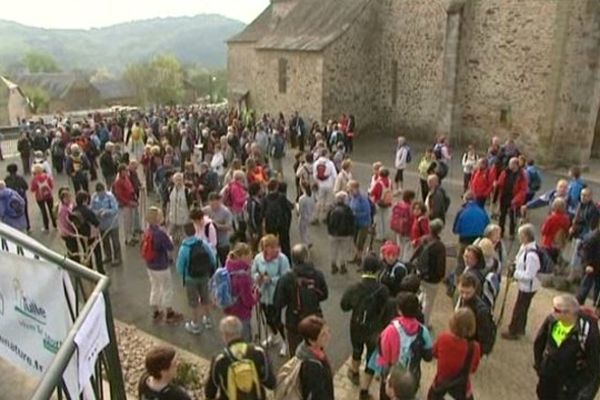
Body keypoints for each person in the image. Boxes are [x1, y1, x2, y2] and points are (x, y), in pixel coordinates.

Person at [341, 254, 390, 399]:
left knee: (356, 349)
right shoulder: (383, 290)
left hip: (356, 324)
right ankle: (364, 391)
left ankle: (354, 372)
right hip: (375, 327)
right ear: (377, 271)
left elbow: (344, 306)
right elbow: (386, 309)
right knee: (371, 356)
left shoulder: (355, 287)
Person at [534, 294, 600, 400]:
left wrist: (580, 390)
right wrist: (539, 366)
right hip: (549, 374)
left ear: (569, 313)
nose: (552, 311)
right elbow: (539, 342)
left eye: (557, 309)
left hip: (570, 382)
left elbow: (594, 366)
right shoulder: (552, 320)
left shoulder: (588, 332)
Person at [375, 292, 433, 400]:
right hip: (411, 378)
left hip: (392, 378)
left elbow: (382, 355)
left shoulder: (390, 330)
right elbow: (429, 356)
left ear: (399, 310)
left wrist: (379, 371)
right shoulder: (423, 331)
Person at [274, 244, 328, 356]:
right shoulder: (317, 275)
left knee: (295, 352)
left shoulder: (286, 278)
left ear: (293, 259)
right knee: (317, 349)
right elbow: (324, 295)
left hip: (294, 320)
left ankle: (299, 370)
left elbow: (278, 302)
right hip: (314, 318)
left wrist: (278, 321)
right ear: (307, 257)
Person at [205, 316, 276, 400]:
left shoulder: (219, 360)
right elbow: (271, 383)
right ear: (240, 332)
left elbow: (209, 393)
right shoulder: (258, 352)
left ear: (225, 335)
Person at [428, 308, 481, 400]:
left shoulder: (443, 338)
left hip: (440, 385)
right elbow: (473, 369)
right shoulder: (474, 347)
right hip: (461, 389)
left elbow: (434, 353)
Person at [142, 207, 183, 324]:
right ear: (157, 219)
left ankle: (156, 312)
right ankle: (169, 313)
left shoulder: (147, 231)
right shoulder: (160, 233)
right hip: (161, 265)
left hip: (150, 265)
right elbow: (170, 247)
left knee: (154, 287)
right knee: (167, 288)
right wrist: (169, 238)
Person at [176, 222, 218, 335]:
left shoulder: (184, 248)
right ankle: (208, 319)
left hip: (191, 278)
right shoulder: (203, 244)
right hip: (204, 276)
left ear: (184, 233)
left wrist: (183, 273)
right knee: (205, 298)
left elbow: (180, 267)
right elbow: (212, 258)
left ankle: (195, 324)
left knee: (193, 302)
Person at [251, 234, 291, 354]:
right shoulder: (258, 258)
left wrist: (271, 280)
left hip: (276, 294)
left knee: (276, 320)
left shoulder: (282, 259)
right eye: (269, 247)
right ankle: (272, 337)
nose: (273, 250)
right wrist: (258, 277)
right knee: (267, 318)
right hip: (263, 294)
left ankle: (285, 342)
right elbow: (254, 271)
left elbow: (286, 277)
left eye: (275, 247)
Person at [502, 223, 540, 340]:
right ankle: (520, 329)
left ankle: (513, 330)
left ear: (525, 236)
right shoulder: (525, 248)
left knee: (519, 308)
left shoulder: (531, 255)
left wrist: (515, 274)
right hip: (525, 285)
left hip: (528, 287)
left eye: (521, 235)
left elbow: (529, 275)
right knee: (522, 307)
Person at [412, 219, 446, 327]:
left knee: (421, 294)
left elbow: (416, 253)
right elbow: (441, 265)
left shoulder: (424, 239)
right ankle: (424, 323)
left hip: (421, 274)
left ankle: (414, 315)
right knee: (428, 302)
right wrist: (440, 276)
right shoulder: (440, 246)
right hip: (432, 279)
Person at [223, 242, 257, 342]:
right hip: (241, 313)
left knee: (233, 338)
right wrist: (256, 295)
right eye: (249, 257)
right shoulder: (243, 277)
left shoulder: (228, 266)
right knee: (245, 340)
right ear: (242, 256)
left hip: (229, 309)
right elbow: (248, 301)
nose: (251, 260)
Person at [455, 273, 496, 356]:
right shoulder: (458, 297)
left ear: (474, 289)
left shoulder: (481, 311)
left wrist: (477, 354)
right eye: (462, 292)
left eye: (468, 293)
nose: (464, 296)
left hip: (471, 347)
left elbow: (484, 337)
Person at [295, 315, 335, 400]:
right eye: (323, 335)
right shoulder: (312, 367)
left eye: (328, 331)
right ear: (311, 341)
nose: (328, 336)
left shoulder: (315, 350)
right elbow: (318, 395)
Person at [452, 191, 490, 276]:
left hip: (464, 241)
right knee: (476, 262)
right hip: (478, 241)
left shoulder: (462, 211)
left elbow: (455, 230)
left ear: (465, 199)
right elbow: (488, 226)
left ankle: (458, 282)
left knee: (461, 263)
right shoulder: (482, 211)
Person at [70, 191, 103, 273]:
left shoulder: (74, 210)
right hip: (92, 235)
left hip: (82, 236)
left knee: (87, 253)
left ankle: (90, 271)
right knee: (97, 253)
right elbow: (96, 222)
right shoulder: (87, 211)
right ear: (84, 200)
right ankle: (100, 270)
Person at [570, 188, 600, 279]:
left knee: (579, 258)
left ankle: (576, 276)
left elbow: (591, 226)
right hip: (577, 234)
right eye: (582, 195)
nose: (583, 197)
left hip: (584, 237)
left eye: (585, 195)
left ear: (590, 197)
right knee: (574, 257)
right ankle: (573, 274)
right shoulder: (580, 205)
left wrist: (586, 238)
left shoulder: (592, 209)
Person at [494, 157, 527, 238]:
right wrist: (497, 185)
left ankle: (511, 233)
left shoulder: (521, 175)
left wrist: (516, 199)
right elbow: (500, 182)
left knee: (512, 217)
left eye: (511, 164)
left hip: (513, 198)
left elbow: (523, 190)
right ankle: (501, 232)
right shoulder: (505, 172)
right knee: (502, 215)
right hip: (504, 196)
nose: (509, 165)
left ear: (516, 165)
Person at [90, 182, 122, 266]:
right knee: (105, 242)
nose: (101, 194)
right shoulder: (94, 197)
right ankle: (108, 256)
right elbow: (91, 209)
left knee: (115, 242)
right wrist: (97, 212)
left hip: (112, 224)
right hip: (102, 225)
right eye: (99, 193)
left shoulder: (110, 197)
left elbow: (115, 209)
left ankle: (118, 258)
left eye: (102, 192)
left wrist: (106, 211)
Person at [326, 191, 355, 274]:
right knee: (344, 251)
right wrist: (351, 233)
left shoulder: (332, 209)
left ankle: (333, 265)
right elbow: (351, 222)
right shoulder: (348, 210)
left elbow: (328, 221)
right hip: (345, 234)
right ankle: (342, 266)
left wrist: (329, 230)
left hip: (333, 234)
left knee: (333, 250)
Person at [203, 192, 234, 265]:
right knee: (212, 264)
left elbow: (229, 226)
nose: (213, 206)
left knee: (225, 263)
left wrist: (216, 225)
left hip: (222, 242)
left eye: (215, 204)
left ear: (219, 201)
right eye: (211, 204)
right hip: (210, 242)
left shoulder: (226, 212)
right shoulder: (206, 210)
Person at [113, 164, 139, 246]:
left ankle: (131, 236)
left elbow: (130, 188)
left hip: (131, 201)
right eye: (124, 171)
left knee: (131, 220)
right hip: (125, 204)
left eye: (126, 171)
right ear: (120, 172)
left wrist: (134, 196)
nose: (125, 172)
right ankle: (127, 238)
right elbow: (119, 195)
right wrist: (128, 202)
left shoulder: (126, 178)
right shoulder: (118, 182)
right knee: (127, 222)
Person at [348, 180, 373, 265]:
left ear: (356, 188)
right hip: (355, 223)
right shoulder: (352, 197)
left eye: (351, 189)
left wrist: (356, 214)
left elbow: (367, 211)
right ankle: (357, 257)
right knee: (355, 240)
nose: (350, 191)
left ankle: (360, 259)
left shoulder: (363, 198)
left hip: (364, 223)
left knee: (360, 242)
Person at [576, 222, 600, 307]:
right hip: (590, 265)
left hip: (597, 265)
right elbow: (584, 252)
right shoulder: (592, 237)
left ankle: (596, 304)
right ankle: (578, 304)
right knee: (585, 286)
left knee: (597, 287)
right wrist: (587, 265)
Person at [540, 198, 570, 264]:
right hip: (558, 243)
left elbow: (543, 231)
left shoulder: (551, 218)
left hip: (548, 243)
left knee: (546, 261)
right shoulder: (566, 219)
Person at [30, 163, 56, 232]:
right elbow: (51, 186)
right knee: (51, 210)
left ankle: (46, 227)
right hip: (49, 195)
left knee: (43, 212)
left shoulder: (34, 179)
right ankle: (55, 224)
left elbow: (32, 189)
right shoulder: (47, 176)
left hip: (40, 197)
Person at [168, 172, 192, 247]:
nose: (178, 182)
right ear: (173, 181)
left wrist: (190, 216)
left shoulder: (187, 191)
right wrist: (166, 215)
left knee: (184, 236)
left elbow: (191, 205)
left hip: (183, 217)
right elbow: (168, 202)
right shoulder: (170, 189)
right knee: (170, 234)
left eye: (180, 180)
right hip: (172, 216)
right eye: (176, 180)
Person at [391, 190, 415, 262]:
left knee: (399, 245)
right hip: (406, 230)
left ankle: (398, 259)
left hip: (397, 228)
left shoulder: (398, 204)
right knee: (407, 247)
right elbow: (411, 220)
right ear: (410, 198)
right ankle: (405, 261)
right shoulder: (409, 208)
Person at [5, 163, 30, 232]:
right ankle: (27, 226)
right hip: (21, 198)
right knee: (25, 212)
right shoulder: (20, 178)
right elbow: (26, 186)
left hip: (11, 200)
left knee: (13, 213)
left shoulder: (7, 179)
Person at [371, 167, 393, 241]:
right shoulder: (390, 182)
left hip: (379, 203)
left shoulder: (378, 183)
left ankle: (380, 236)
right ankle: (386, 235)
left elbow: (373, 192)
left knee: (379, 220)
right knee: (386, 219)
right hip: (387, 203)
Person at [297, 182, 316, 248]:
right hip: (310, 215)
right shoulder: (312, 195)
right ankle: (308, 241)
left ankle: (305, 244)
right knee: (307, 229)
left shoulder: (302, 199)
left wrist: (296, 206)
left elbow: (300, 210)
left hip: (303, 217)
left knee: (302, 231)